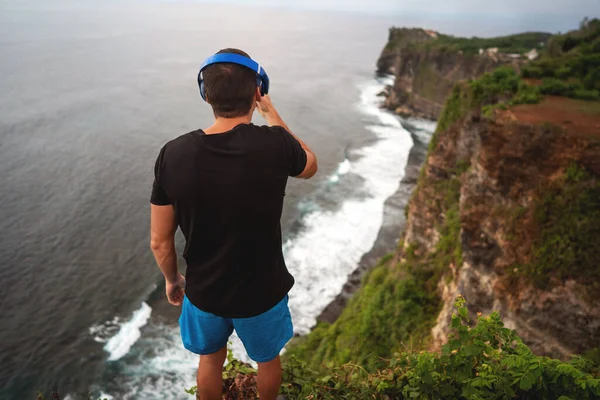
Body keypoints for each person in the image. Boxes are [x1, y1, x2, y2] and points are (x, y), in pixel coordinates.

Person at [149, 48, 318, 400]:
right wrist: (272, 114)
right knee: (267, 362)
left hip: (205, 292)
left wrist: (172, 280)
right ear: (257, 92)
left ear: (206, 94)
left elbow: (160, 241)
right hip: (263, 292)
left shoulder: (173, 153)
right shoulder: (276, 144)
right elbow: (310, 165)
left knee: (210, 361)